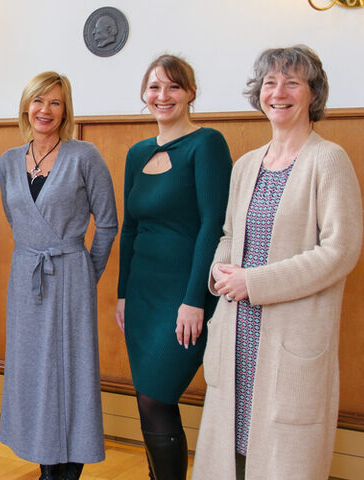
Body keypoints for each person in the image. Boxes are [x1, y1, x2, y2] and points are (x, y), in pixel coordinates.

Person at [192, 45, 363, 480]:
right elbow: (229, 236)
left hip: (292, 336)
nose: (278, 92)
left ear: (312, 94)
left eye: (292, 82)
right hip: (237, 332)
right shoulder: (247, 164)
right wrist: (219, 272)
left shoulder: (329, 160)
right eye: (270, 82)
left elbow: (340, 250)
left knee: (284, 460)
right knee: (231, 455)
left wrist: (256, 282)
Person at [115, 55, 232, 480]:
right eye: (154, 87)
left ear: (190, 93)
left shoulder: (207, 144)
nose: (162, 96)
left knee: (157, 396)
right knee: (147, 395)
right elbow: (129, 229)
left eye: (173, 87)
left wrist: (193, 300)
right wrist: (123, 294)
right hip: (143, 296)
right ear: (144, 95)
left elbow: (212, 227)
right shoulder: (137, 152)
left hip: (184, 294)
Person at [0, 72, 118, 480]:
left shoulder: (85, 155)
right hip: (25, 277)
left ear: (66, 110)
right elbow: (17, 220)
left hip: (70, 277)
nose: (45, 110)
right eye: (38, 101)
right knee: (32, 373)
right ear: (26, 106)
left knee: (71, 374)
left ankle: (66, 472)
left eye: (55, 103)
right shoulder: (9, 161)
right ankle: (44, 462)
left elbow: (107, 224)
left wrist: (85, 272)